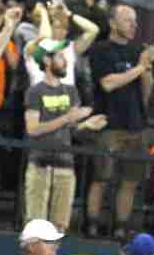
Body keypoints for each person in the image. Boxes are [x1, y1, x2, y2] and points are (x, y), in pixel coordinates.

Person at [86, 4, 154, 239]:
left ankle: (120, 227)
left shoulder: (138, 51)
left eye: (135, 21)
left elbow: (146, 92)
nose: (134, 25)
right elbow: (108, 83)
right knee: (101, 178)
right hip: (109, 123)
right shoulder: (101, 50)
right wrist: (140, 67)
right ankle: (92, 223)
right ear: (113, 23)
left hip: (136, 124)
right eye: (128, 20)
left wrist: (147, 69)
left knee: (130, 181)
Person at [24, 38, 107, 232]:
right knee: (35, 227)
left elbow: (71, 128)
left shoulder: (71, 91)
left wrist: (87, 124)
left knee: (59, 227)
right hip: (39, 165)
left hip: (65, 166)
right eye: (60, 56)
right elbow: (33, 129)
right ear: (46, 61)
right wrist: (67, 117)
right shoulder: (35, 92)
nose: (65, 60)